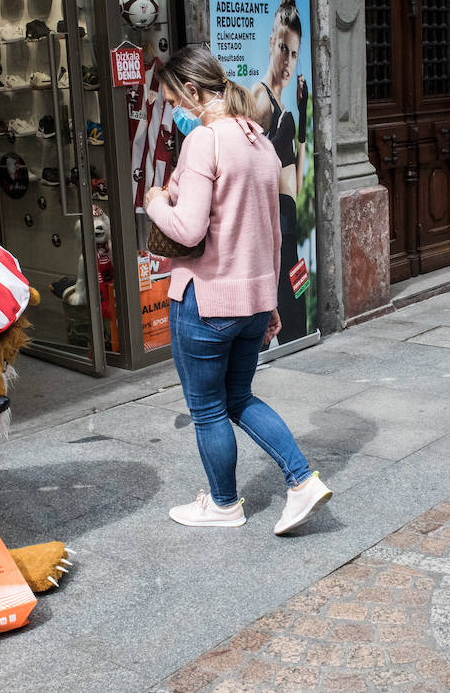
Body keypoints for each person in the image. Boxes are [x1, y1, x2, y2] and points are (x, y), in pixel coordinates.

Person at [144, 46, 331, 534]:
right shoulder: (260, 142)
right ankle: (302, 480)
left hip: (204, 300)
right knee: (240, 398)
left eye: (174, 101)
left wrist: (154, 203)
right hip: (251, 300)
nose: (175, 112)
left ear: (193, 91)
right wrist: (269, 302)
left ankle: (224, 505)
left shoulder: (205, 141)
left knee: (208, 408)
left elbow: (186, 230)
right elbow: (273, 231)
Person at [249, 0, 310, 344]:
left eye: (294, 53)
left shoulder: (283, 103)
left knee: (296, 314)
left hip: (290, 216)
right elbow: (251, 168)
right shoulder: (261, 98)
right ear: (272, 44)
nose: (288, 61)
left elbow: (297, 185)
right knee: (290, 317)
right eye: (283, 49)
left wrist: (299, 124)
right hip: (276, 222)